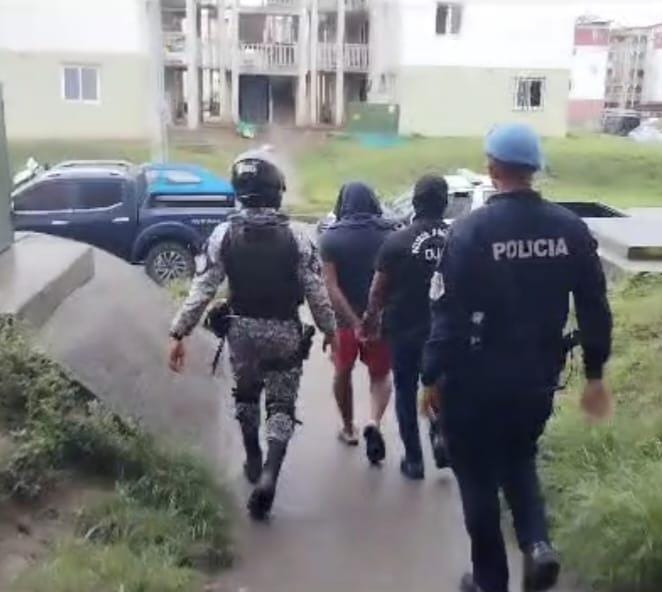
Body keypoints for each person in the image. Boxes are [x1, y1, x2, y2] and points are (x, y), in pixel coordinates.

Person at [420, 123, 613, 592]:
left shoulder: (470, 231)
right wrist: (594, 374)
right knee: (519, 458)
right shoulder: (570, 230)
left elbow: (448, 314)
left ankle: (490, 581)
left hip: (474, 382)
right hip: (536, 379)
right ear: (534, 169)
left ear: (492, 168)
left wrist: (430, 376)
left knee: (476, 478)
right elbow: (594, 307)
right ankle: (538, 543)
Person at [168, 150, 337, 521]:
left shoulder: (223, 235)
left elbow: (202, 288)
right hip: (284, 330)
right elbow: (317, 292)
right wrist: (330, 331)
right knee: (281, 403)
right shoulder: (297, 237)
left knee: (246, 395)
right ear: (276, 192)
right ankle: (270, 473)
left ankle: (252, 457)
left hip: (241, 330)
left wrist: (179, 332)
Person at [362, 175, 450, 480]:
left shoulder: (397, 241)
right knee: (442, 385)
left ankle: (414, 461)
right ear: (445, 203)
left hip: (404, 330)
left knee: (405, 391)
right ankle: (441, 433)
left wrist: (370, 320)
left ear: (415, 202)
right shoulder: (460, 238)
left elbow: (378, 290)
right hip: (445, 330)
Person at [320, 182, 393, 463]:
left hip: (343, 323)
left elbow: (331, 286)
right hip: (380, 321)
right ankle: (373, 421)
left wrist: (352, 321)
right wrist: (373, 316)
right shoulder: (389, 234)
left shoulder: (331, 238)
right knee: (380, 376)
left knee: (342, 371)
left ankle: (349, 428)